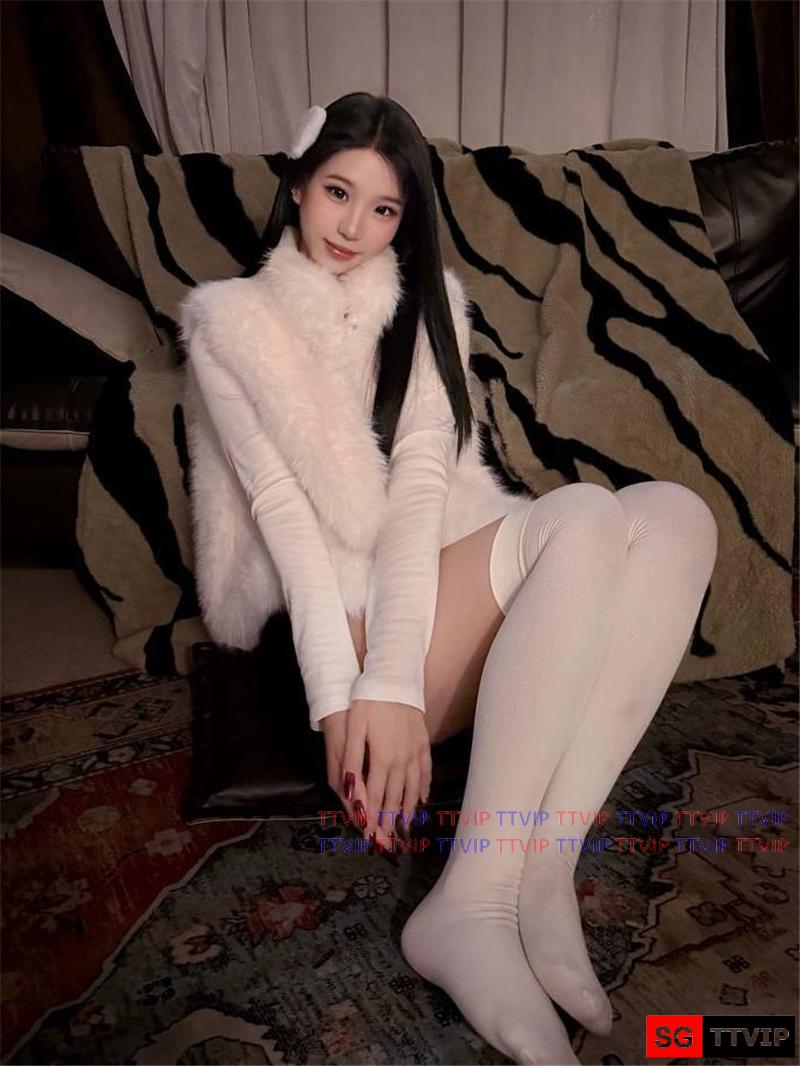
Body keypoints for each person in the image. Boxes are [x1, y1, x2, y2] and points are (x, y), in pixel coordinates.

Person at [179, 92, 719, 1066]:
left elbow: (425, 488)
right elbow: (286, 522)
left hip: (431, 590)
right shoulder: (231, 326)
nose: (354, 226)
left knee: (677, 515)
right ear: (297, 185)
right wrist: (368, 688)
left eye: (383, 208)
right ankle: (468, 903)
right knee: (580, 514)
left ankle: (540, 867)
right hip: (340, 632)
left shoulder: (427, 306)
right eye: (337, 192)